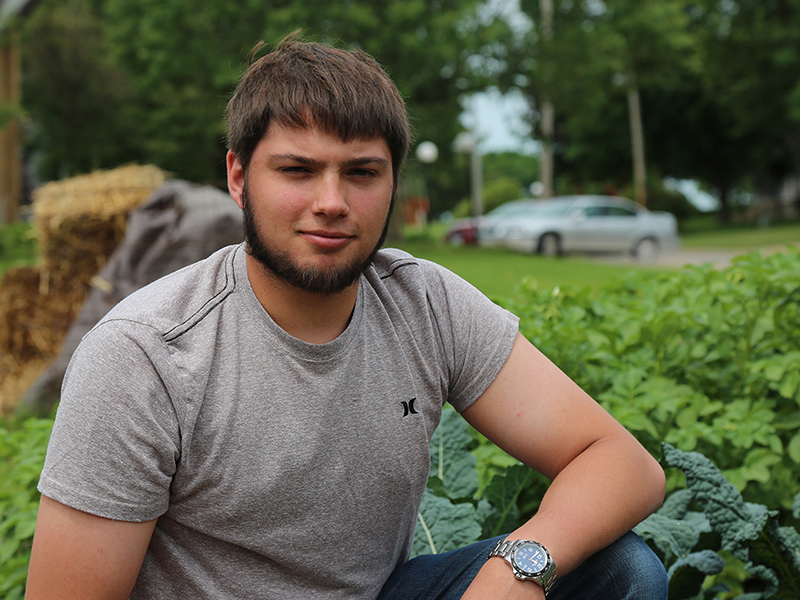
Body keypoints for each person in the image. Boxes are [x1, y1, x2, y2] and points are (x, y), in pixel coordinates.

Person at [26, 35, 668, 600]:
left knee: (622, 571)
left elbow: (624, 463)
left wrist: (519, 571)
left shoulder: (424, 304)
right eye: (298, 170)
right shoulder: (147, 355)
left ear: (394, 185)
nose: (331, 203)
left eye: (362, 173)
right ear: (238, 177)